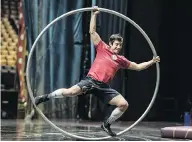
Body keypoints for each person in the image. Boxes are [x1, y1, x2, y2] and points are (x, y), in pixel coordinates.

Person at [33, 6, 160, 136]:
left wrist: (152, 61)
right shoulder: (102, 47)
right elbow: (92, 32)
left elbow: (137, 66)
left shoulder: (121, 60)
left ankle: (106, 124)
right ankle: (44, 98)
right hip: (91, 81)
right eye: (116, 44)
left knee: (123, 104)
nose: (118, 47)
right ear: (110, 44)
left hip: (104, 87)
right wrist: (94, 14)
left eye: (120, 45)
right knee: (70, 92)